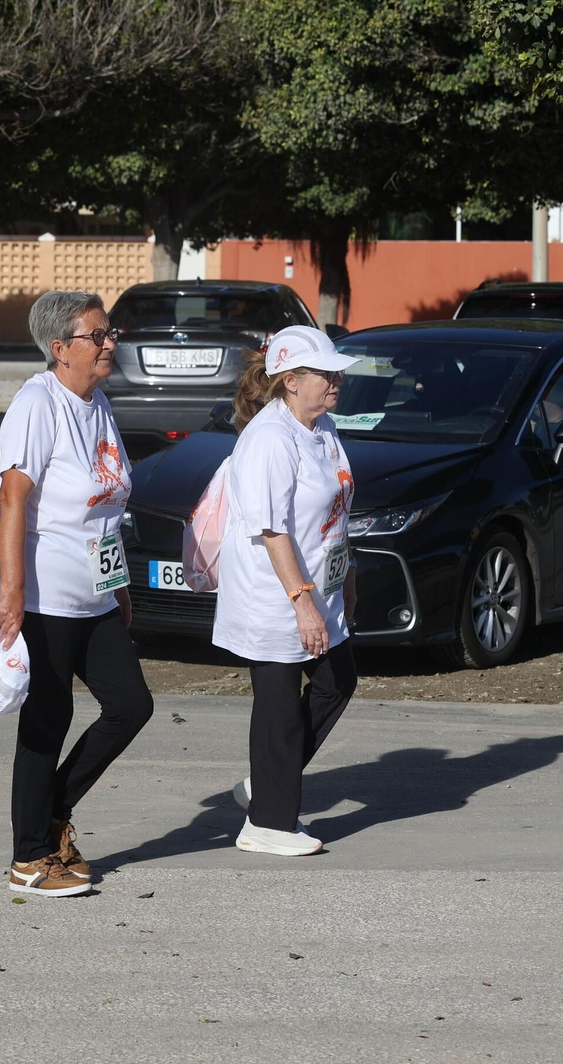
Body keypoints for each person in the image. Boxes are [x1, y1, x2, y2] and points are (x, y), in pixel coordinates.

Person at [0, 290, 153, 897]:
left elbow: (106, 507)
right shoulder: (38, 403)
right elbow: (14, 498)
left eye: (111, 332)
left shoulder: (98, 404)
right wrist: (11, 593)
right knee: (48, 718)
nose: (111, 343)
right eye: (98, 335)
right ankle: (29, 857)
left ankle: (49, 815)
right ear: (61, 349)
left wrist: (120, 588)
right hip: (47, 592)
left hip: (96, 592)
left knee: (131, 705)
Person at [211, 325, 361, 856]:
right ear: (291, 381)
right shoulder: (270, 439)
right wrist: (303, 603)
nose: (336, 379)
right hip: (275, 597)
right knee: (277, 703)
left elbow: (334, 514)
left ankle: (267, 779)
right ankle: (268, 824)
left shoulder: (324, 427)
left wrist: (345, 582)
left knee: (337, 682)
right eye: (325, 372)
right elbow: (271, 529)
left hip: (321, 588)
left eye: (335, 371)